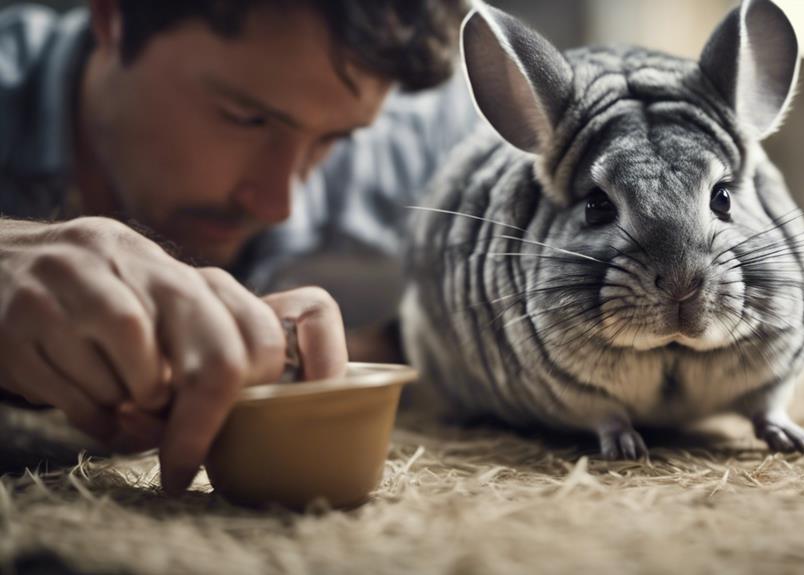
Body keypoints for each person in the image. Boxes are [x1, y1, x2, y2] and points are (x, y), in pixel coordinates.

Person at [0, 0, 475, 494]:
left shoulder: (417, 127)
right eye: (246, 118)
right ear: (112, 18)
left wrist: (374, 345)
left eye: (335, 139)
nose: (279, 204)